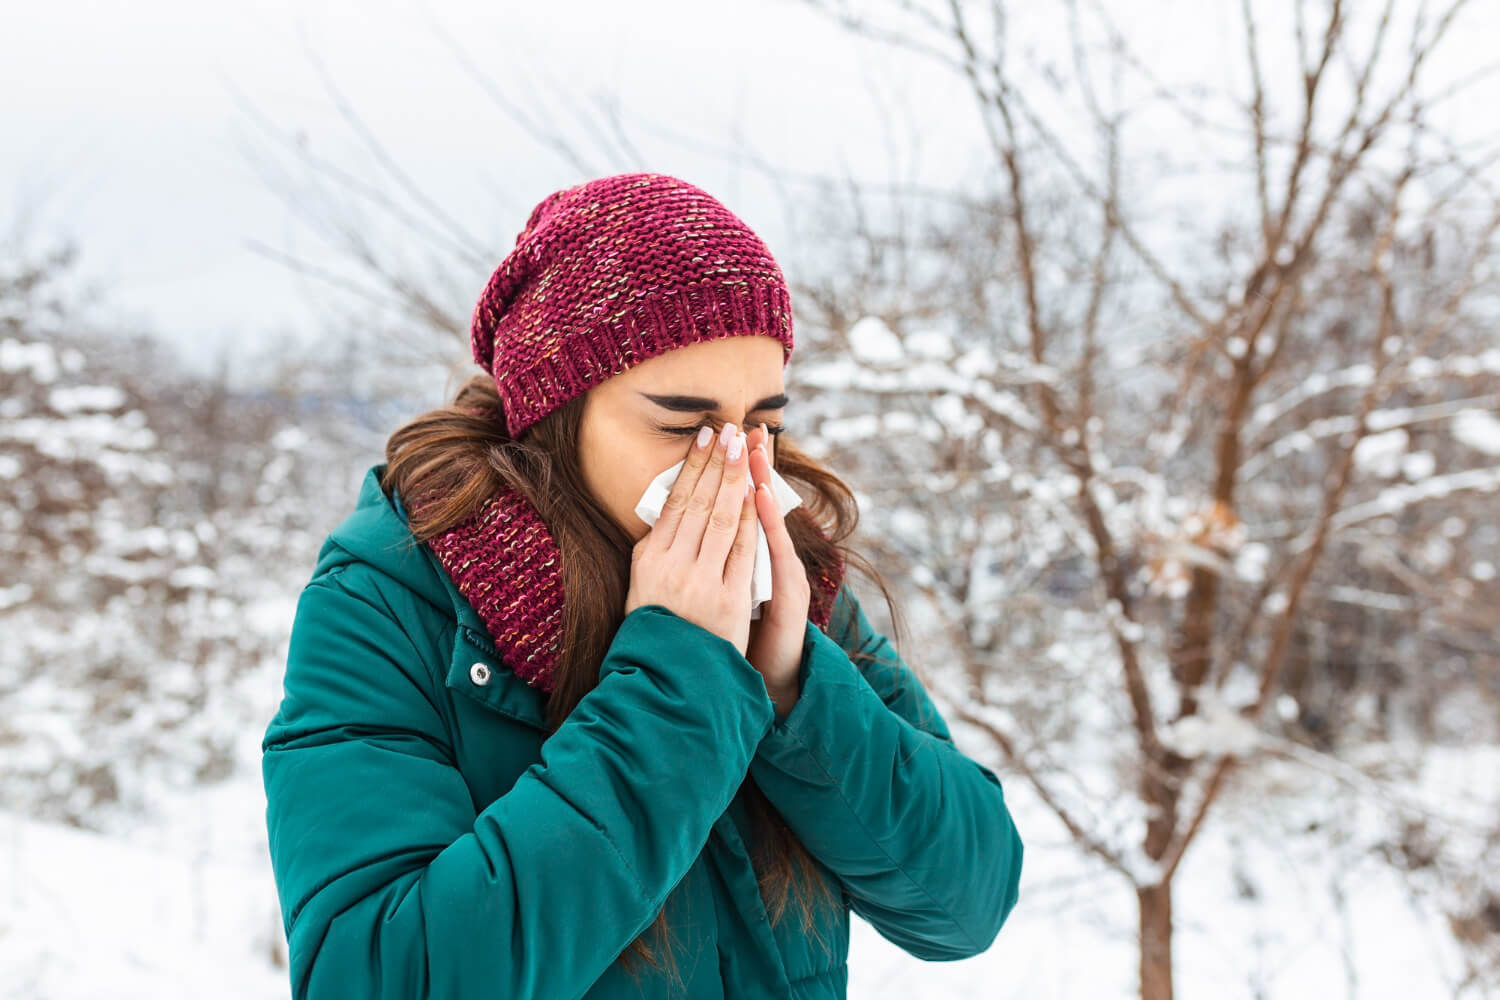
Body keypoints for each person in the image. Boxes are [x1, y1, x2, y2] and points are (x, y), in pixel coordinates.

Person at [260, 171, 1023, 999]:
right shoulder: (394, 598)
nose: (734, 464)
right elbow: (371, 975)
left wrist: (796, 691)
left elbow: (966, 903)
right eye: (684, 426)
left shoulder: (787, 577)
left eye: (762, 423)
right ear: (555, 414)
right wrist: (679, 685)